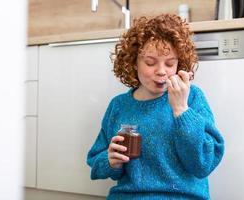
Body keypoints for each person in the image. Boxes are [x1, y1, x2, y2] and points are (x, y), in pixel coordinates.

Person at [86, 14, 224, 200]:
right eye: (150, 62)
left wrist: (182, 111)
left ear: (179, 64)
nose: (161, 71)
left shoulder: (192, 98)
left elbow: (204, 164)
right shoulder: (119, 106)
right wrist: (111, 162)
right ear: (133, 62)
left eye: (170, 63)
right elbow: (96, 159)